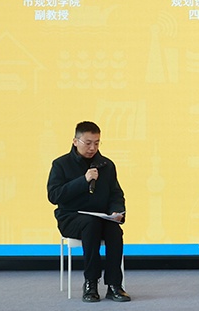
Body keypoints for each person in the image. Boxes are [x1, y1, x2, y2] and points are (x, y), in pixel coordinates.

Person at [47, 121, 131, 303]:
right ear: (75, 141)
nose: (92, 148)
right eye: (88, 143)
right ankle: (91, 283)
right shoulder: (61, 164)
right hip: (70, 217)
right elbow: (54, 195)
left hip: (100, 217)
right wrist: (83, 180)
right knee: (90, 224)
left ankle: (114, 285)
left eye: (97, 143)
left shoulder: (106, 165)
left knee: (114, 230)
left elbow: (116, 194)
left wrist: (116, 211)